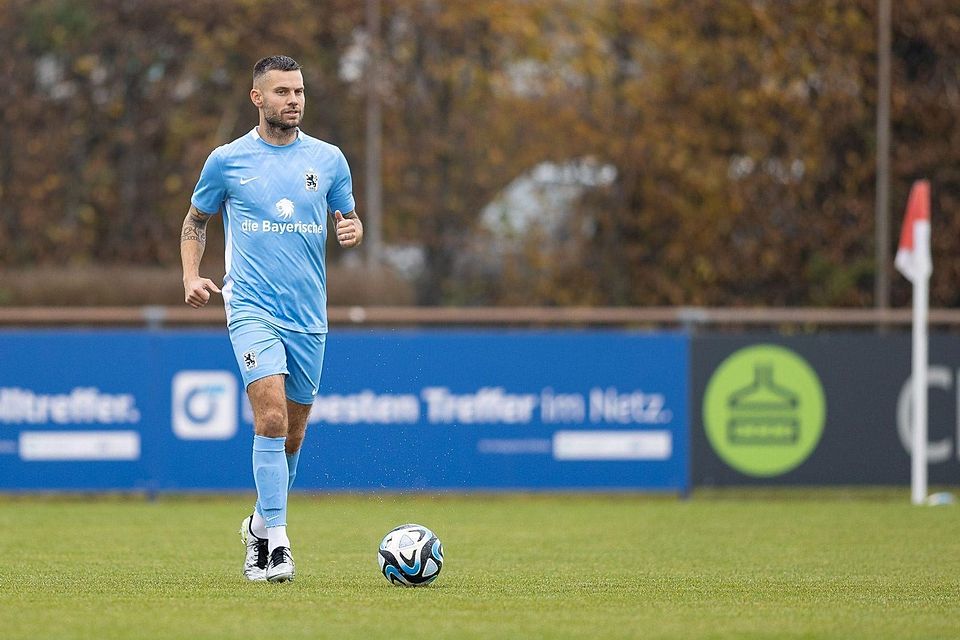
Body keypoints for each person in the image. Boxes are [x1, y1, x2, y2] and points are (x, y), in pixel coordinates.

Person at [180, 54, 363, 583]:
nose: (295, 100)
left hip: (309, 316)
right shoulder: (227, 160)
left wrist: (352, 230)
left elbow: (347, 218)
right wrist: (192, 276)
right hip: (251, 309)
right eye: (283, 92)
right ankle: (278, 544)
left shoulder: (329, 159)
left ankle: (261, 523)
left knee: (293, 438)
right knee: (271, 419)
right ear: (258, 98)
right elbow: (196, 222)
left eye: (300, 91)